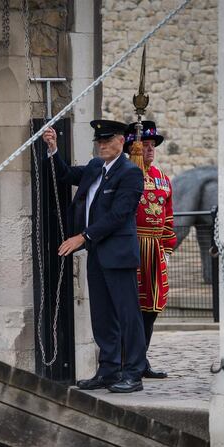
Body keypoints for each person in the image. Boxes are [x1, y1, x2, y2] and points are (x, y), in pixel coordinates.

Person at [43, 120, 147, 393]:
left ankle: (134, 373)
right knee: (101, 315)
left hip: (119, 254)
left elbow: (118, 215)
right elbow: (65, 175)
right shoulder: (94, 167)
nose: (101, 144)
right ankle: (109, 370)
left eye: (107, 140)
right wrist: (53, 149)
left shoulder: (131, 173)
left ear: (121, 141)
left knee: (127, 314)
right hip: (98, 253)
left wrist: (83, 237)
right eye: (98, 140)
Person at [123, 121, 177, 379]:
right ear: (133, 148)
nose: (150, 150)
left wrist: (167, 247)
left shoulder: (162, 179)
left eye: (152, 145)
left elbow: (168, 216)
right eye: (144, 145)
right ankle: (126, 360)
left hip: (154, 250)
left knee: (151, 308)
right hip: (133, 245)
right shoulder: (127, 174)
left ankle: (141, 360)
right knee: (130, 306)